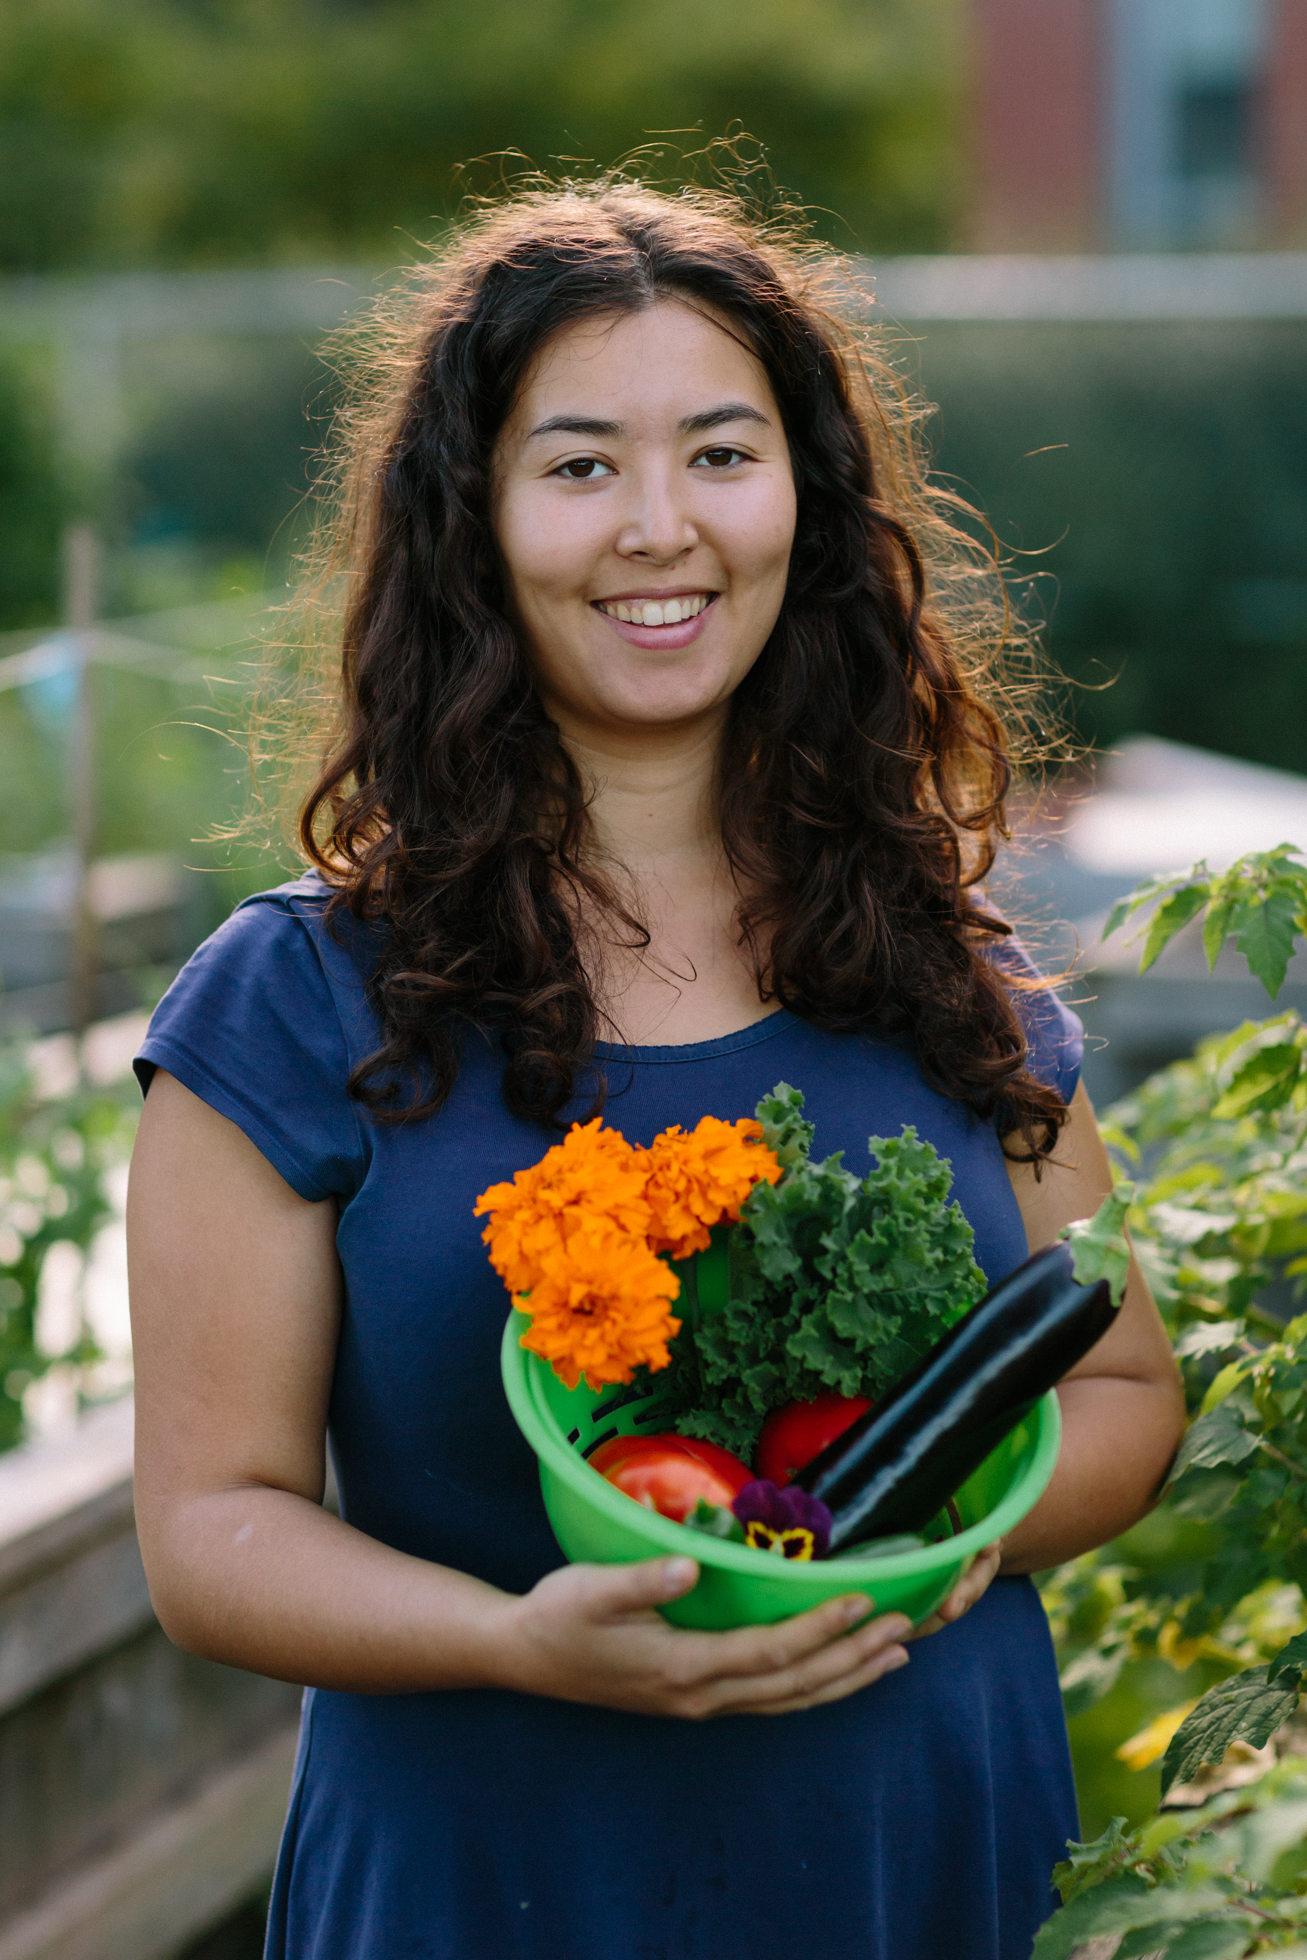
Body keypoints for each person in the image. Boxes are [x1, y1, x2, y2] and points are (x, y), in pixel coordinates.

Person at [126, 181, 1184, 1960]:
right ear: (474, 522)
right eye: (581, 466)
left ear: (809, 501)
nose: (662, 527)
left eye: (719, 451)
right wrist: (512, 1639)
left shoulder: (945, 961)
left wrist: (920, 1552)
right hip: (500, 1871)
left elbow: (1125, 1389)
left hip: (915, 1859)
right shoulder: (297, 1001)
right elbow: (206, 1529)